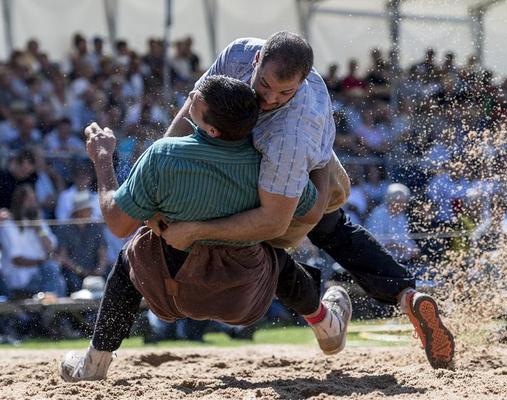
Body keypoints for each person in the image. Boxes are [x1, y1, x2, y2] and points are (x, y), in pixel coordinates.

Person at [158, 31, 454, 369]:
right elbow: (194, 104)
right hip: (277, 163)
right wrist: (163, 158)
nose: (269, 99)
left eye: (284, 92)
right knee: (335, 232)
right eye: (265, 85)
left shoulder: (295, 127)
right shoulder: (237, 53)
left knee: (263, 244)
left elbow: (285, 215)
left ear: (301, 83)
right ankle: (405, 295)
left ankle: (324, 319)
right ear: (256, 60)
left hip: (305, 178)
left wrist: (197, 225)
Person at [59, 75, 351, 382]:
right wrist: (319, 156)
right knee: (277, 258)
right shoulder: (270, 165)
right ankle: (326, 325)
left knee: (130, 256)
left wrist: (103, 159)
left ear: (211, 128)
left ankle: (95, 362)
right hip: (243, 295)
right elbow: (312, 210)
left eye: (198, 98)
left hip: (168, 291)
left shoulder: (163, 155)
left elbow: (118, 223)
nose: (192, 93)